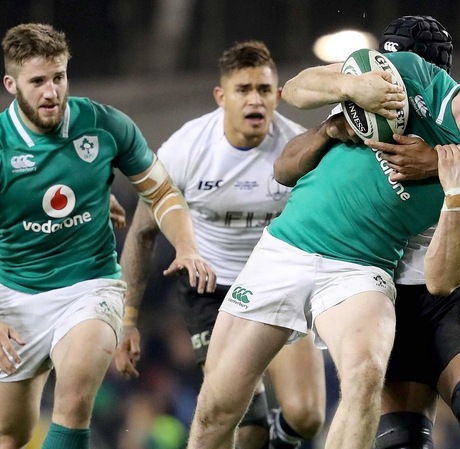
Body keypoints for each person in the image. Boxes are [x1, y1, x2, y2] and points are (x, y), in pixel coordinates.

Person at [186, 46, 460, 449]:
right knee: (216, 409)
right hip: (286, 249)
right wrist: (351, 86)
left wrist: (456, 191)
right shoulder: (413, 76)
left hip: (361, 271)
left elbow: (442, 280)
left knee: (365, 375)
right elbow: (296, 89)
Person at [275, 16, 460, 449]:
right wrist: (328, 130)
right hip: (376, 289)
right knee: (402, 440)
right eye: (383, 67)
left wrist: (437, 163)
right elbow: (284, 167)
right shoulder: (362, 109)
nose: (389, 80)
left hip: (450, 294)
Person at [0, 23, 212, 449]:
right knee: (11, 433)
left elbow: (161, 192)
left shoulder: (104, 125)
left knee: (75, 399)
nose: (51, 92)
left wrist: (187, 246)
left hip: (90, 286)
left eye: (59, 77)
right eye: (37, 81)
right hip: (15, 295)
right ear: (11, 85)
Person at [112, 41, 325, 449]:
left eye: (263, 89)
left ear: (278, 95)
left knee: (308, 416)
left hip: (277, 287)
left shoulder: (298, 150)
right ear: (221, 96)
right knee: (245, 420)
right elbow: (141, 234)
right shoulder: (185, 150)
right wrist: (128, 320)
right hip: (212, 290)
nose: (255, 100)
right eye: (243, 89)